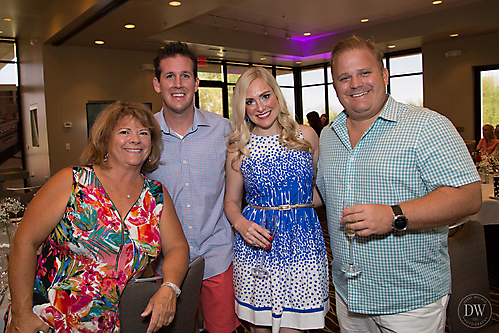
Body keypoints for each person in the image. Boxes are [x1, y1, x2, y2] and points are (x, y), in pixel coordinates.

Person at [316, 36, 481, 332]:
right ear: (336, 86)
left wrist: (394, 215)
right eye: (345, 77)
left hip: (408, 300)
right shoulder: (329, 135)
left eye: (364, 73)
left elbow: (468, 197)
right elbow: (322, 194)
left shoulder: (426, 125)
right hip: (348, 295)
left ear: (384, 75)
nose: (355, 83)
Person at [7, 101, 189, 333]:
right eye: (124, 132)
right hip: (46, 321)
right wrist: (21, 314)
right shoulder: (72, 181)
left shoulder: (155, 195)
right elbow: (24, 242)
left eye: (143, 133)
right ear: (105, 140)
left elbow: (177, 247)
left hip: (113, 325)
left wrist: (170, 287)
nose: (135, 139)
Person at [224, 67, 329, 333]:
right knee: (260, 328)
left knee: (295, 327)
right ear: (242, 107)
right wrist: (240, 223)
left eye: (265, 96)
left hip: (302, 243)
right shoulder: (239, 145)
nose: (259, 107)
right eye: (250, 101)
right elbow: (231, 202)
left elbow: (317, 192)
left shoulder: (306, 136)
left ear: (277, 95)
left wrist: (297, 209)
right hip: (258, 243)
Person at [148, 42, 239, 333]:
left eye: (185, 75)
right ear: (156, 83)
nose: (178, 84)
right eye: (170, 76)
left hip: (217, 255)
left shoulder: (223, 130)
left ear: (196, 83)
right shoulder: (144, 135)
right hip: (164, 264)